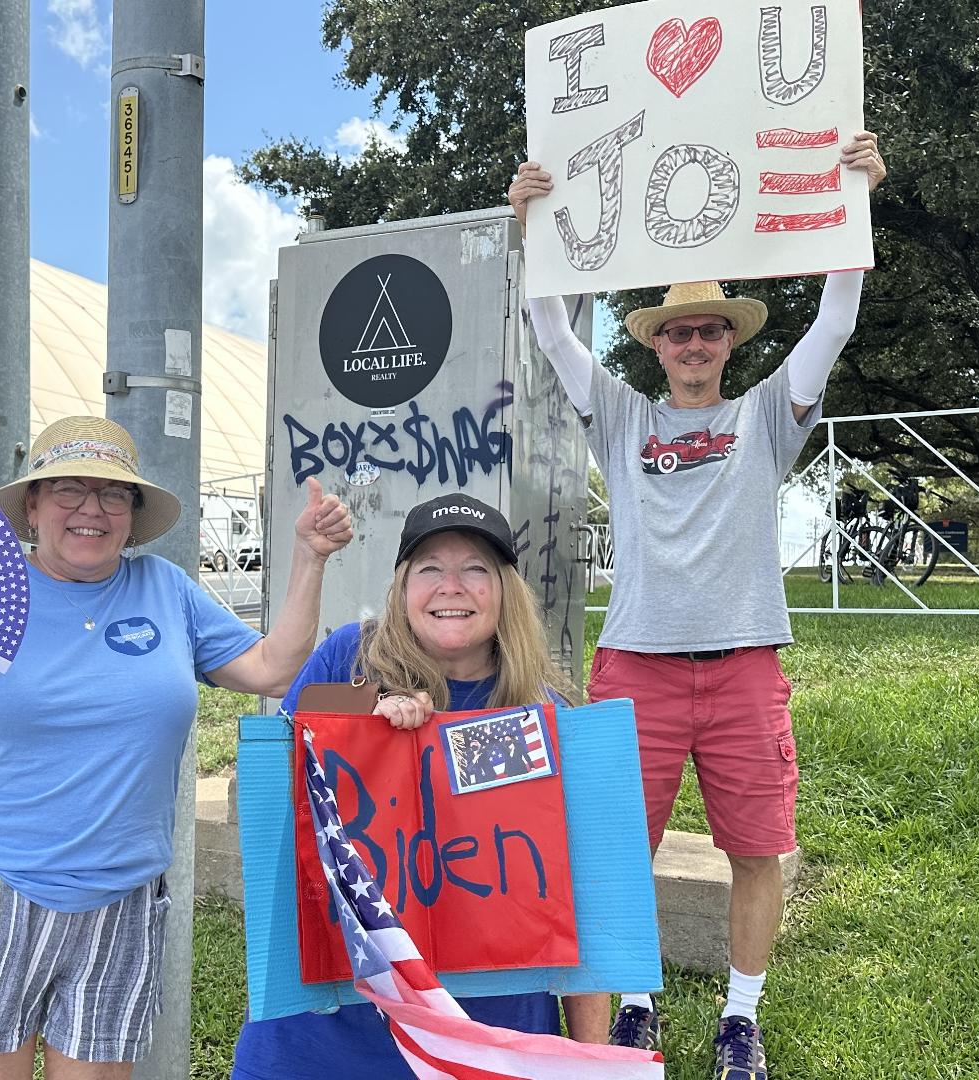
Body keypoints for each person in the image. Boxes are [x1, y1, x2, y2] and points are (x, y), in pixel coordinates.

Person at [508, 133, 888, 1075]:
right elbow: (554, 329)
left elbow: (836, 319)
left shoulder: (764, 416)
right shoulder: (623, 415)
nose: (692, 343)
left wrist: (853, 200)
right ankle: (636, 1006)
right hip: (636, 660)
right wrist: (534, 228)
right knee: (614, 851)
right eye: (676, 331)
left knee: (757, 848)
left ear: (729, 342)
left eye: (710, 330)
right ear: (656, 345)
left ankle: (740, 1019)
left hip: (745, 663)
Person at [0, 415, 353, 1080]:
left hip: (122, 891)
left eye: (113, 494)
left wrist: (309, 558)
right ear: (32, 505)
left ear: (133, 515)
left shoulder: (164, 590)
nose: (92, 510)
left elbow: (272, 670)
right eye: (67, 491)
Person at [230, 492, 580, 1079]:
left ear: (506, 590)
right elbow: (271, 800)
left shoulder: (545, 715)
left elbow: (582, 906)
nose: (452, 586)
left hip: (486, 1037)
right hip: (325, 1034)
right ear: (402, 588)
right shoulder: (349, 656)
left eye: (475, 568)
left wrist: (583, 1057)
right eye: (430, 569)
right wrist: (364, 730)